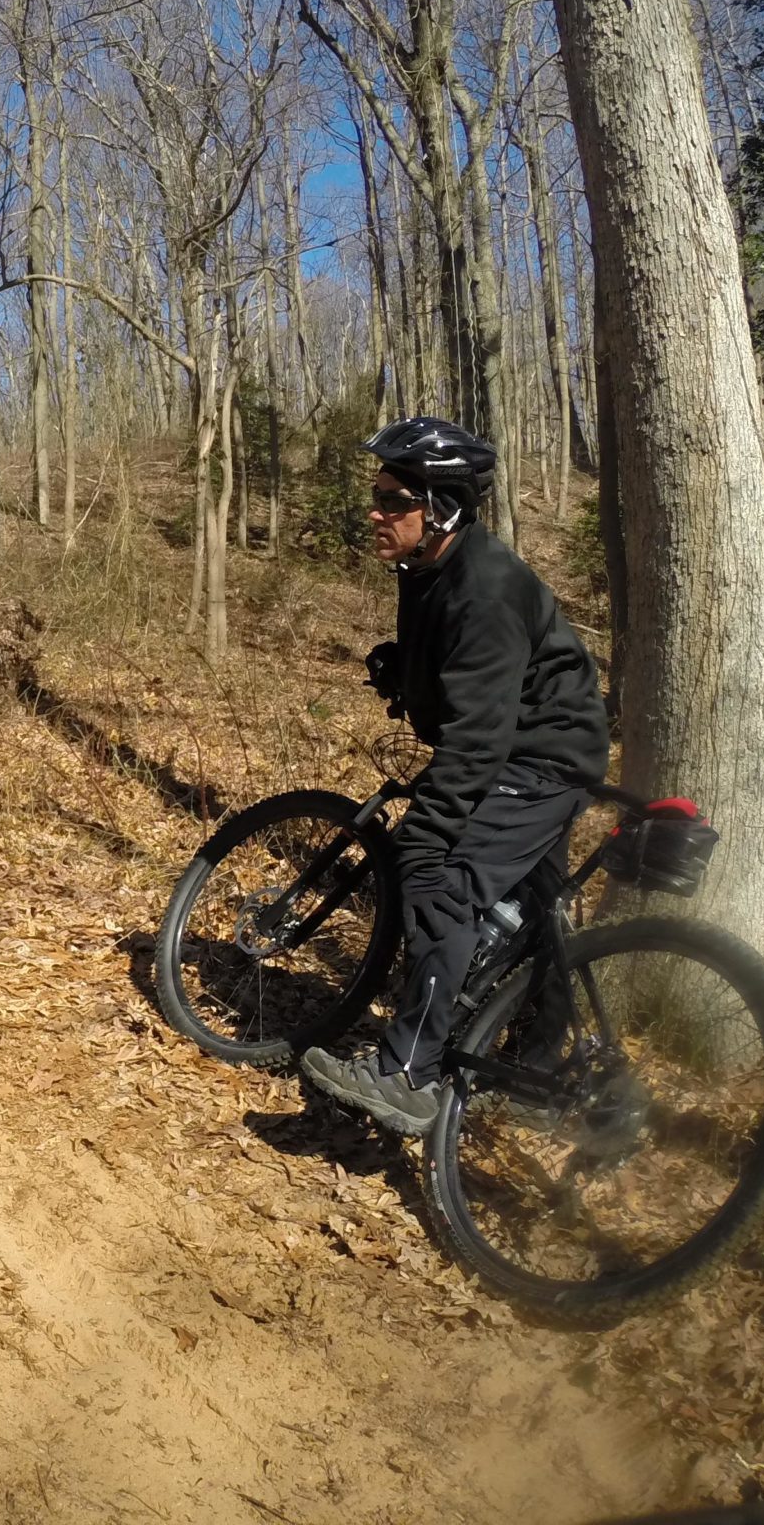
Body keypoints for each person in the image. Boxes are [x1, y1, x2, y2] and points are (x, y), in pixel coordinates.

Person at [299, 417, 610, 1135]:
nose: (375, 512)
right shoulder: (427, 566)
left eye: (393, 500)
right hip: (531, 748)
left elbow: (481, 731)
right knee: (537, 911)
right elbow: (464, 673)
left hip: (535, 759)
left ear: (442, 508)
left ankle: (408, 1072)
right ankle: (535, 1070)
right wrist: (402, 669)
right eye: (374, 495)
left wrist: (431, 827)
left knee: (436, 874)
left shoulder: (485, 587)